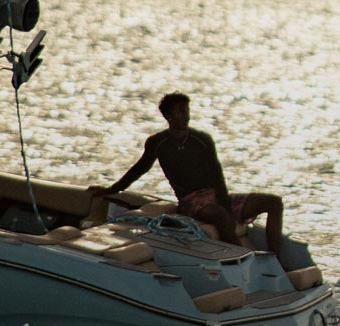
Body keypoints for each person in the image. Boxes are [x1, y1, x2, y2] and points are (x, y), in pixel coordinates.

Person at [92, 93, 289, 257]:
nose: (186, 115)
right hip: (190, 202)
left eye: (187, 110)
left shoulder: (201, 139)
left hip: (215, 195)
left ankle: (276, 259)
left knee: (274, 202)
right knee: (221, 216)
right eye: (181, 111)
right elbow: (139, 169)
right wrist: (111, 189)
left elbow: (217, 173)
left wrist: (225, 203)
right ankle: (248, 260)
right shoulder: (157, 143)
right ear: (169, 116)